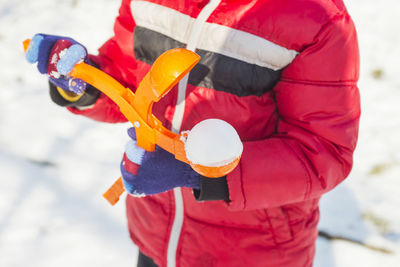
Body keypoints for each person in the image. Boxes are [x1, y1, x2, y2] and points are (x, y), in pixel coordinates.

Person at [25, 0, 360, 266]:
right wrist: (85, 83)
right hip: (156, 235)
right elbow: (128, 77)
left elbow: (323, 152)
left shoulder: (316, 18)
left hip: (253, 252)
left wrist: (198, 173)